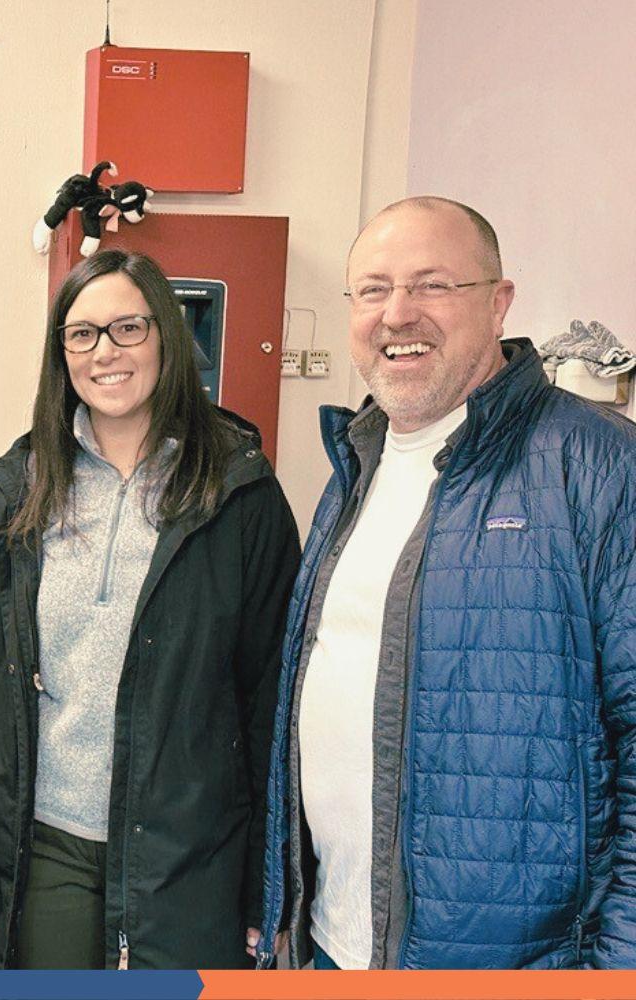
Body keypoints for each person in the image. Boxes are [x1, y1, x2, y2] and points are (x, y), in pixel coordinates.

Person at [251, 196, 636, 970]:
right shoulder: (354, 465)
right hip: (331, 946)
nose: (398, 313)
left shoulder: (597, 466)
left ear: (498, 303)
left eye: (432, 285)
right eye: (374, 289)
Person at [0, 249, 300, 969]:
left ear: (166, 335)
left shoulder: (240, 492)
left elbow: (272, 701)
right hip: (48, 848)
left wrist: (267, 881)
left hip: (191, 859)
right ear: (61, 353)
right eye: (82, 333)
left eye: (128, 328)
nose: (105, 352)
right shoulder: (20, 491)